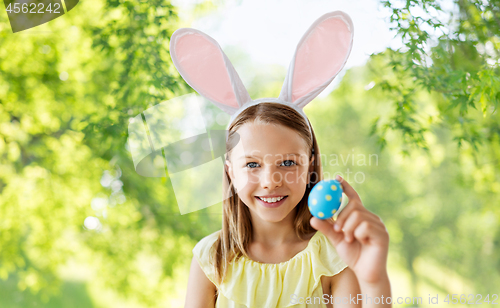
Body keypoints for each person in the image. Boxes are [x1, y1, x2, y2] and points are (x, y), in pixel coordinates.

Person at [169, 11, 391, 308]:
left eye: (287, 163)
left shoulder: (335, 254)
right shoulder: (212, 258)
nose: (271, 180)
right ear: (230, 172)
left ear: (310, 168)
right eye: (251, 164)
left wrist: (374, 281)